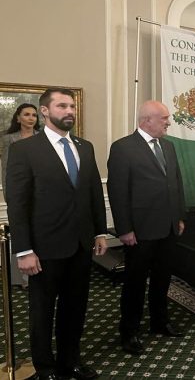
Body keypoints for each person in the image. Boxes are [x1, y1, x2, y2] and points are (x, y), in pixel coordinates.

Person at [6, 88, 107, 380]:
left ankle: (70, 361)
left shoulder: (85, 147)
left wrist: (100, 232)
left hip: (81, 244)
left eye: (72, 106)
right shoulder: (25, 150)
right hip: (44, 248)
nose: (70, 111)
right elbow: (18, 203)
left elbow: (93, 193)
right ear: (45, 111)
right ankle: (45, 368)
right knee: (42, 311)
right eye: (62, 106)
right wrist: (24, 250)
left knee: (75, 308)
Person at [107, 100, 186, 356]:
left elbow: (176, 183)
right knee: (135, 283)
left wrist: (179, 217)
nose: (168, 122)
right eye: (164, 118)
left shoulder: (168, 146)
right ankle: (129, 331)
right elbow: (117, 191)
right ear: (146, 120)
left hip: (168, 227)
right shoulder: (123, 148)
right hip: (140, 231)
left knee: (163, 279)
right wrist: (124, 229)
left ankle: (159, 322)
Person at [1, 103, 41, 288]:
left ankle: (39, 273)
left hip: (40, 194)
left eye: (34, 115)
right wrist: (10, 196)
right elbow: (6, 170)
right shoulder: (9, 139)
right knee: (22, 235)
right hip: (19, 194)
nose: (31, 118)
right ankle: (22, 279)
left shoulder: (42, 137)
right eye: (26, 114)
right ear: (18, 118)